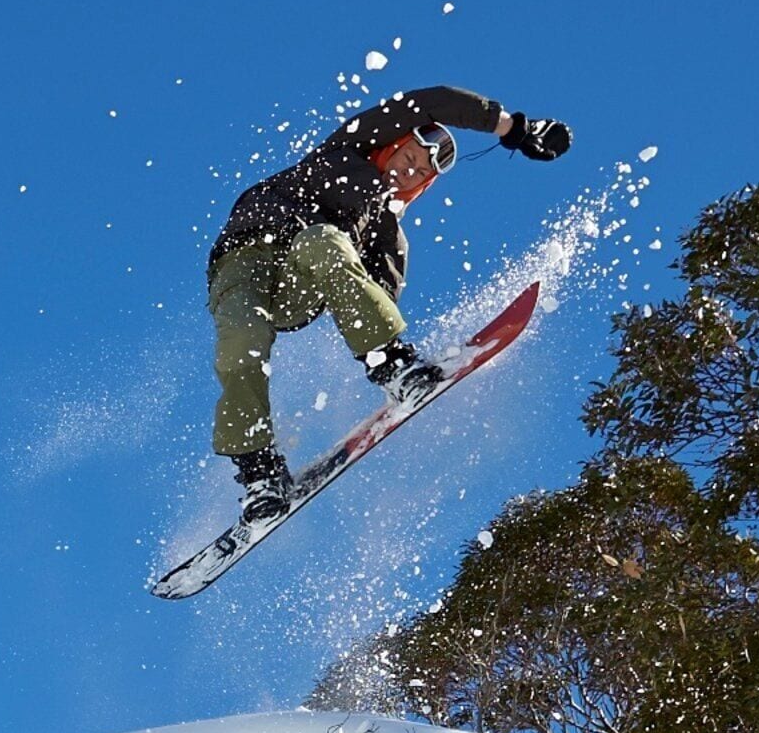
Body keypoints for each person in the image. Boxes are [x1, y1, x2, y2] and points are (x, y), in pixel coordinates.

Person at [209, 86, 571, 522]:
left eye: (419, 172)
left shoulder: (387, 237)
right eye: (408, 157)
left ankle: (394, 368)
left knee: (324, 241)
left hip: (298, 280)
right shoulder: (349, 148)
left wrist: (396, 360)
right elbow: (433, 101)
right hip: (243, 259)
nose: (408, 171)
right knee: (242, 342)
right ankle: (259, 473)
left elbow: (375, 299)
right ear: (393, 144)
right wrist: (514, 128)